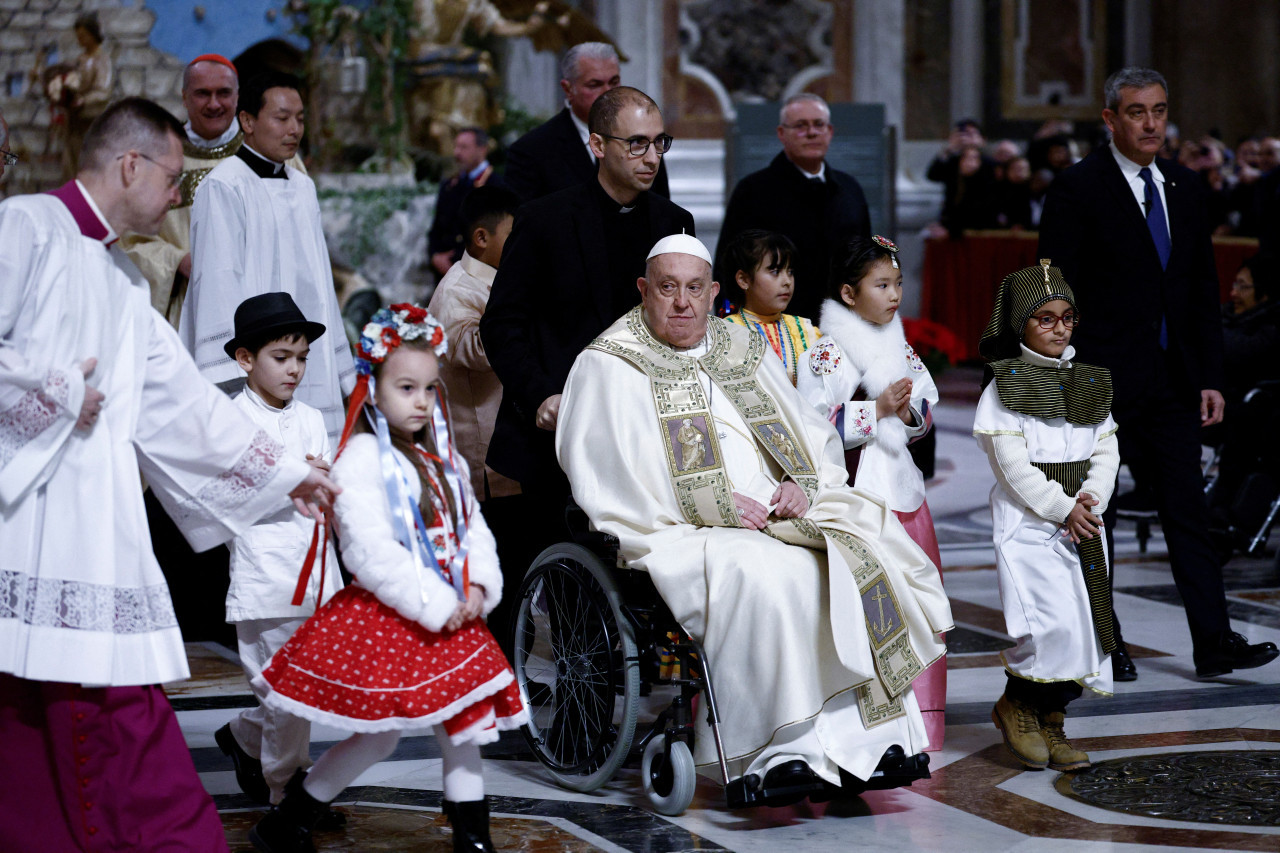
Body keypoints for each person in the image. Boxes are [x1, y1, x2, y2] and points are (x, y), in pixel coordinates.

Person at [0, 97, 338, 853]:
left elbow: (184, 408)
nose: (179, 196)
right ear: (130, 164)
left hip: (99, 526)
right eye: (173, 179)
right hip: (25, 525)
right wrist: (51, 391)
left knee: (111, 709)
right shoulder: (24, 228)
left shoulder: (123, 282)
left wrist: (287, 475)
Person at [557, 233, 949, 805]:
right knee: (775, 578)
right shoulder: (609, 362)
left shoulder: (737, 345)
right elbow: (604, 471)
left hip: (778, 510)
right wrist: (706, 505)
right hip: (681, 528)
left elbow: (805, 427)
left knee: (857, 555)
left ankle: (872, 743)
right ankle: (778, 752)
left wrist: (800, 482)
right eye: (667, 289)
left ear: (714, 291)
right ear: (644, 290)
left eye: (695, 289)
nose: (683, 303)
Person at [249, 304, 526, 853]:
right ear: (372, 389)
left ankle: (473, 838)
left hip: (453, 612)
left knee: (464, 726)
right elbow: (369, 552)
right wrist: (434, 601)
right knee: (378, 737)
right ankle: (288, 821)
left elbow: (471, 528)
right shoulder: (358, 458)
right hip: (394, 615)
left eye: (428, 388)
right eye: (405, 387)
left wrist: (476, 585)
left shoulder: (440, 460)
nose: (421, 400)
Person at [1037, 67, 1279, 680]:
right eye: (1138, 112)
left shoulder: (1187, 186)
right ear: (1110, 119)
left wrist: (1210, 377)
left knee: (1187, 514)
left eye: (1160, 111)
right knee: (1099, 516)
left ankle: (1215, 641)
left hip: (1172, 383)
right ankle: (1105, 642)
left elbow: (1200, 290)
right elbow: (1053, 289)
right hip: (1099, 382)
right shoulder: (1077, 187)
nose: (1151, 124)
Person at [480, 85, 694, 548]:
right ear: (597, 145)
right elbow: (501, 325)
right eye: (636, 143)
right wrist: (540, 396)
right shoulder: (542, 219)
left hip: (645, 431)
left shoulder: (675, 221)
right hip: (557, 430)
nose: (652, 156)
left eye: (659, 142)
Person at [796, 235, 946, 750]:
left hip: (902, 488)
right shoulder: (823, 353)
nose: (894, 295)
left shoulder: (898, 344)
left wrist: (907, 413)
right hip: (855, 495)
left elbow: (924, 405)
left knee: (917, 608)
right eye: (881, 284)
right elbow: (810, 426)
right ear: (848, 292)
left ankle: (919, 720)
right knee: (867, 610)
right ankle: (863, 725)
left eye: (898, 283)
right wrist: (875, 410)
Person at [973, 261, 1119, 771]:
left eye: (1067, 317)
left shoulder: (1088, 382)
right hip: (1030, 524)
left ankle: (1053, 720)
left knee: (1084, 624)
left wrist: (1092, 497)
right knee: (1047, 624)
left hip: (1085, 522)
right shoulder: (1004, 388)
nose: (1059, 328)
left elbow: (1106, 446)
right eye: (1045, 318)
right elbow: (1012, 466)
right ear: (1020, 324)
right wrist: (1063, 507)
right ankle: (1018, 706)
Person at [213, 292, 346, 808]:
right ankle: (286, 795)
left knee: (302, 690)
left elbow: (323, 482)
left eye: (302, 359)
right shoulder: (230, 421)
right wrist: (297, 477)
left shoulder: (311, 417)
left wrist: (323, 479)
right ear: (245, 359)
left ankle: (244, 736)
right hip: (266, 577)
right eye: (281, 358)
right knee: (287, 695)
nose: (294, 369)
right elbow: (231, 495)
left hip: (316, 574)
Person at [184, 70, 356, 442]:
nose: (294, 129)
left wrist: (340, 368)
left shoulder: (303, 186)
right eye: (281, 118)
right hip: (256, 367)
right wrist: (235, 373)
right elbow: (217, 281)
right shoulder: (223, 186)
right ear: (247, 121)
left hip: (304, 355)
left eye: (300, 118)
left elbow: (321, 282)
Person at [120, 54, 304, 328]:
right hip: (188, 310)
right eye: (202, 94)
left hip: (264, 302)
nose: (214, 103)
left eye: (224, 93)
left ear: (238, 96)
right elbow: (130, 240)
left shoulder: (273, 153)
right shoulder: (158, 158)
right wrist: (177, 260)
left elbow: (301, 229)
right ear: (184, 97)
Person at [427, 185, 525, 651]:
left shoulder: (501, 278)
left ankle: (513, 668)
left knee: (518, 569)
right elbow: (470, 350)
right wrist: (518, 313)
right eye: (513, 233)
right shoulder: (458, 289)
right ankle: (496, 669)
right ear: (481, 238)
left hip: (510, 445)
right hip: (482, 459)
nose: (522, 242)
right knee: (495, 575)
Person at [715, 93, 872, 324]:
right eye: (800, 126)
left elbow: (866, 262)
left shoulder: (850, 190)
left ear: (830, 132)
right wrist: (728, 322)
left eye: (819, 125)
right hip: (774, 327)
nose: (811, 132)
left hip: (842, 325)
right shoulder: (753, 191)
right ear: (782, 134)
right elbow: (728, 267)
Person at [504, 42, 670, 204]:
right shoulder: (531, 151)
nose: (608, 93)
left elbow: (663, 211)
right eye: (595, 85)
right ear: (568, 89)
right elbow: (524, 224)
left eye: (613, 82)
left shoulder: (644, 139)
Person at [722, 229, 821, 385]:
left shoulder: (805, 330)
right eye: (775, 271)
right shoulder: (726, 332)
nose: (787, 281)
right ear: (744, 280)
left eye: (790, 272)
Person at [427, 126, 505, 277]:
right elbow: (436, 228)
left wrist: (456, 262)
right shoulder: (450, 185)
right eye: (456, 146)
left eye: (464, 147)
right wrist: (435, 256)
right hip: (443, 272)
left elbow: (493, 235)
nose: (457, 153)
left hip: (477, 273)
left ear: (482, 150)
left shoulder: (495, 186)